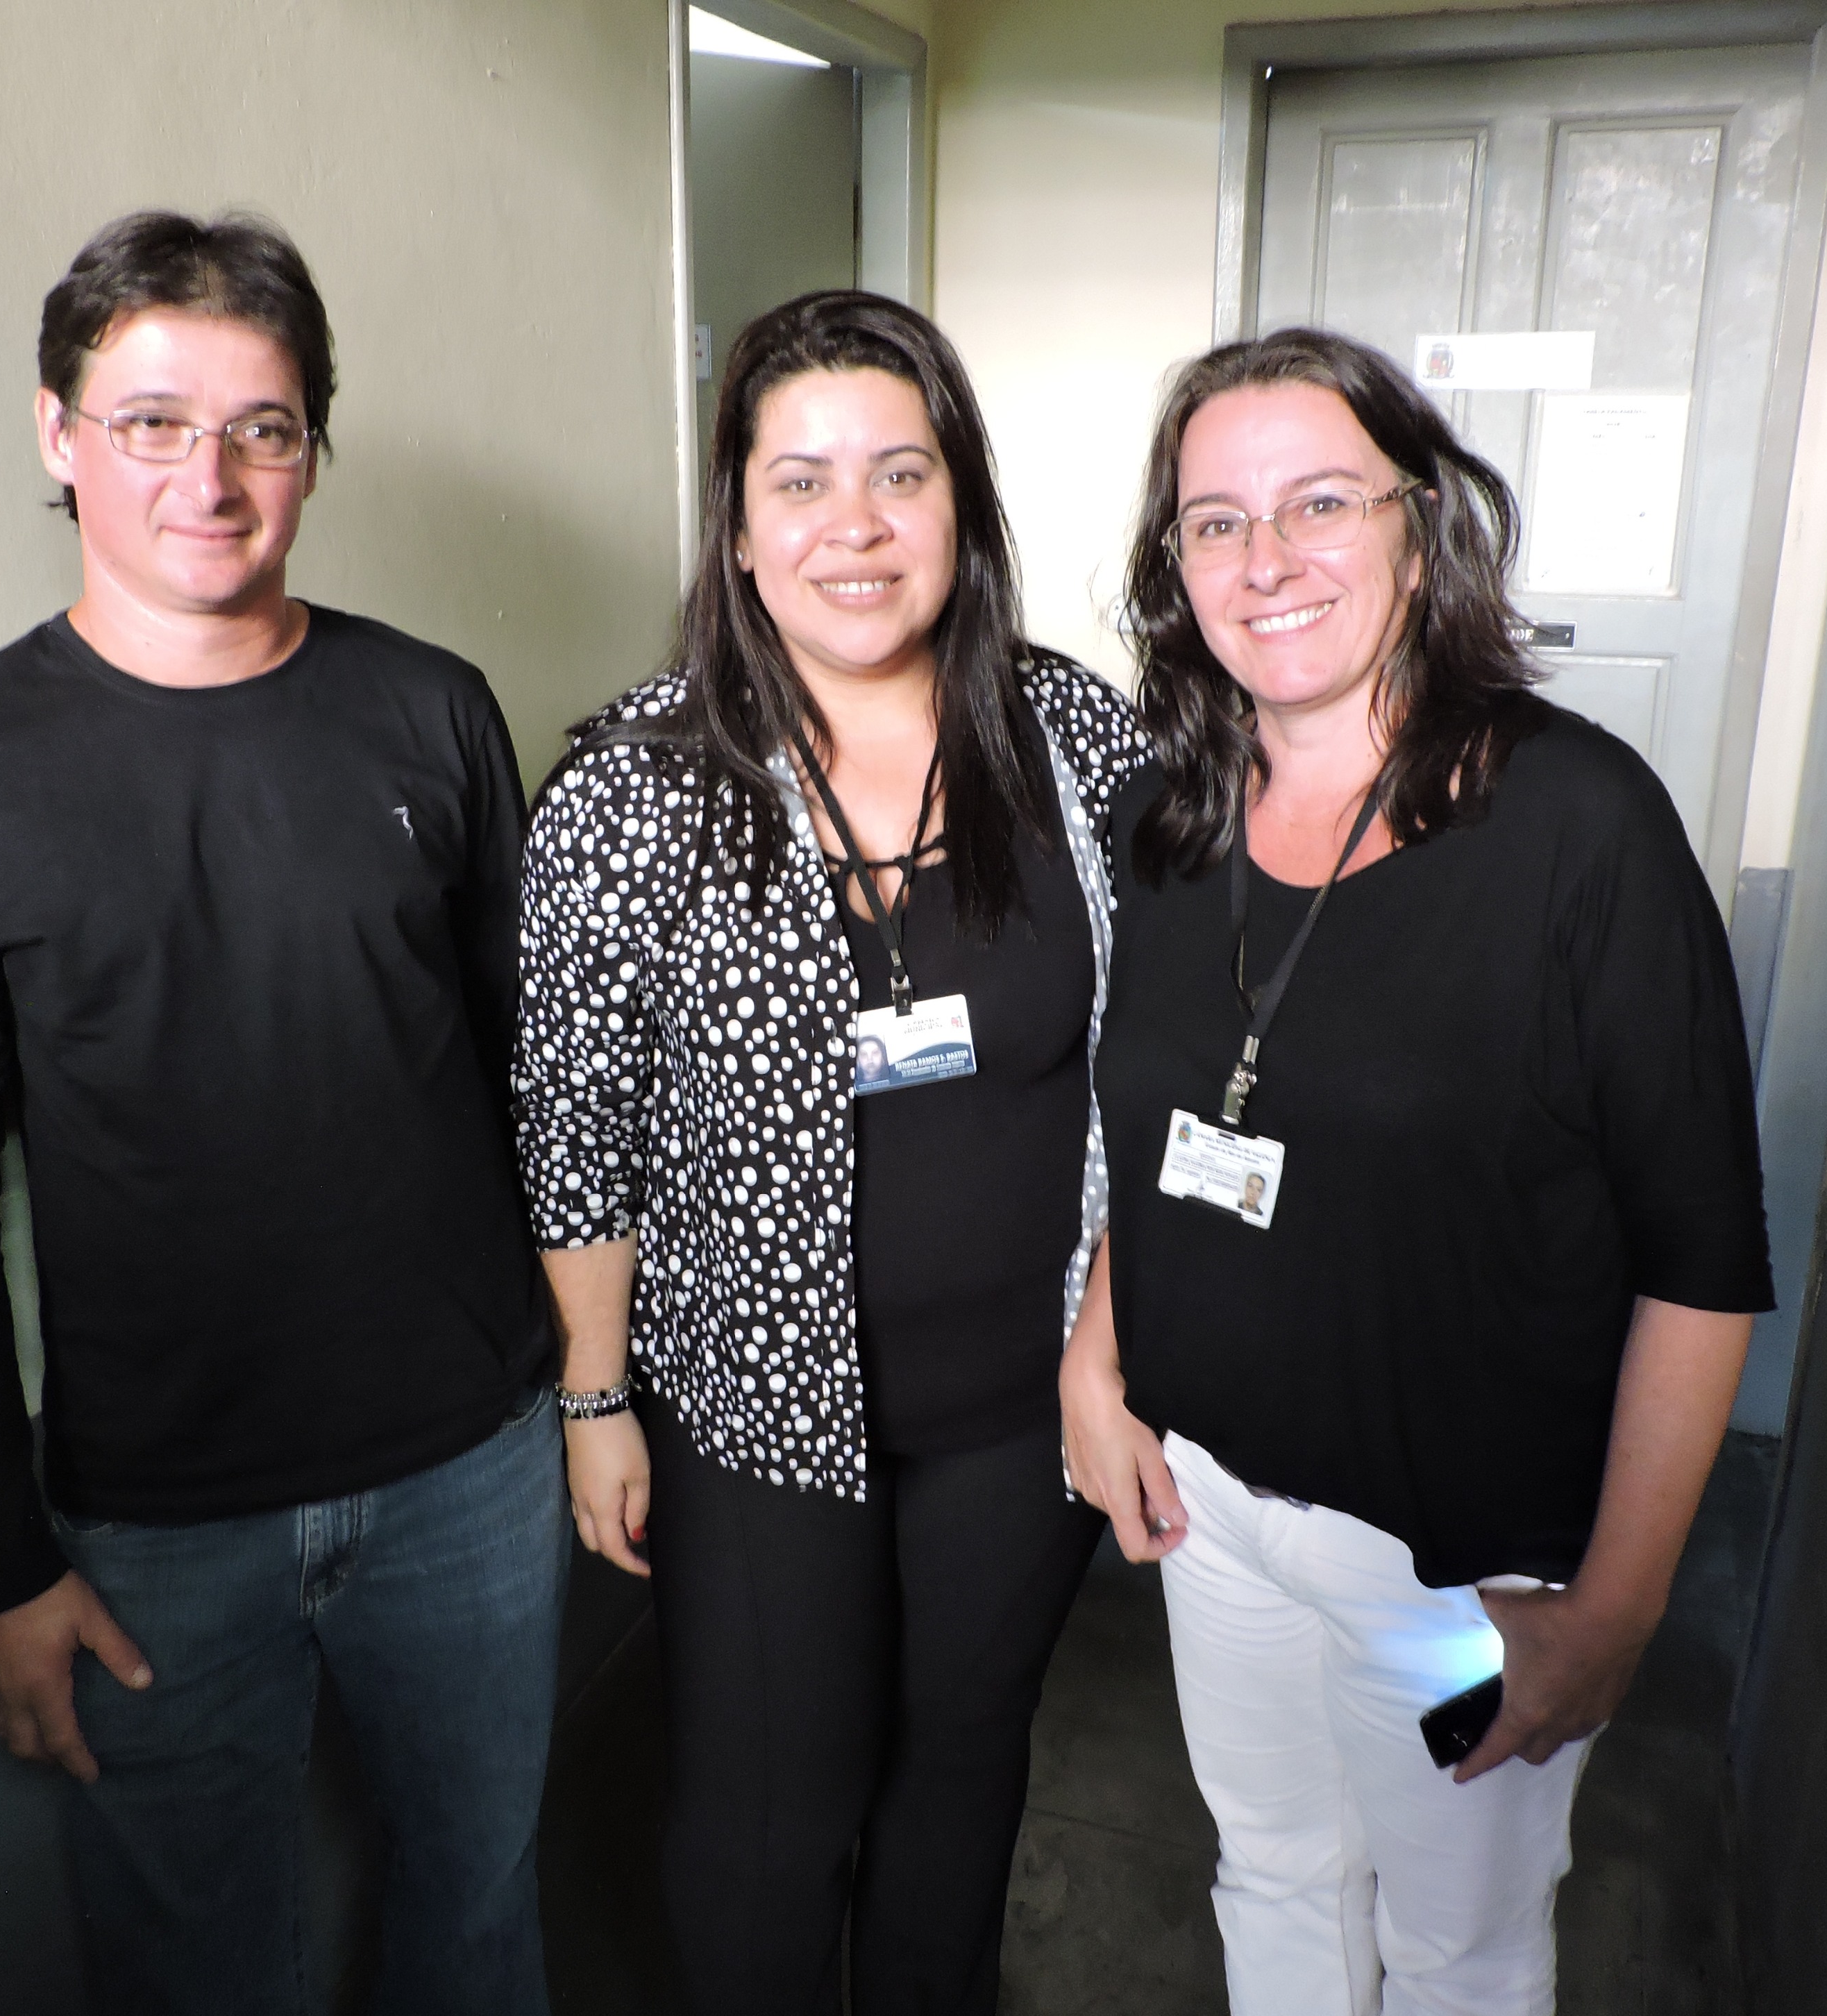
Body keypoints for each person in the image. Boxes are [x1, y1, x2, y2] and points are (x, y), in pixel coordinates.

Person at [0, 211, 564, 2014]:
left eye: (263, 427)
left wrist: (589, 1393)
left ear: (313, 447)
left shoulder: (432, 713)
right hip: (156, 1529)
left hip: (469, 1474)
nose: (210, 478)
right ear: (58, 432)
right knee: (194, 1979)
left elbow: (526, 1082)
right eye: (154, 422)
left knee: (477, 1920)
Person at [1062, 328, 1773, 2015]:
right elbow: (1153, 1139)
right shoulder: (1162, 818)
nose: (1266, 558)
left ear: (1419, 523)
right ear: (1175, 565)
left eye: (1321, 502)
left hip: (1462, 1560)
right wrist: (1095, 1368)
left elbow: (1700, 1255)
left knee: (1460, 1950)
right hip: (1213, 1504)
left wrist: (1618, 1608)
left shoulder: (1577, 826)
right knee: (1270, 1876)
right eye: (1216, 522)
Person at [516, 290, 1150, 2015]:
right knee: (767, 1828)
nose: (852, 526)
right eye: (798, 483)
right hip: (756, 1420)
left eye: (898, 474)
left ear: (962, 503)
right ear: (736, 528)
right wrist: (593, 1399)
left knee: (960, 1784)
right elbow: (577, 1130)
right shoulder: (637, 789)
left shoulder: (1077, 744)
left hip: (1023, 1412)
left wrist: (1107, 1355)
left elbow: (1158, 1068)